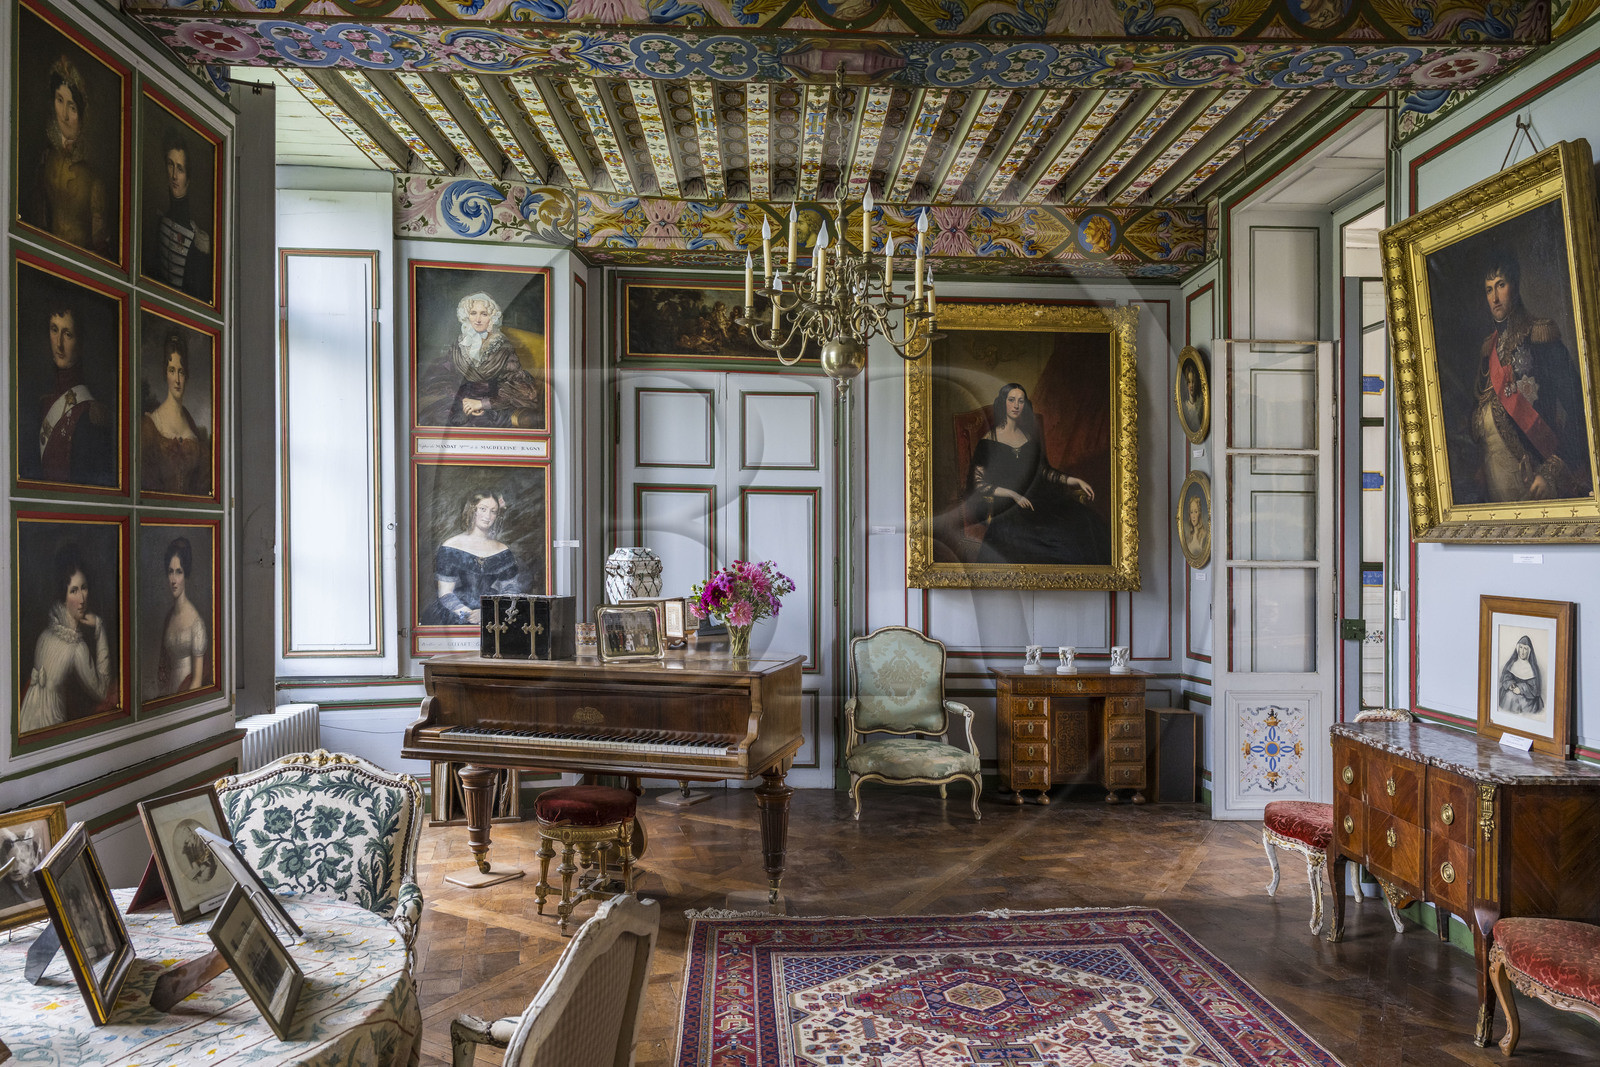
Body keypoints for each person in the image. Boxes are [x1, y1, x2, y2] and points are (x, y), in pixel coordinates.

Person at [1468, 253, 1592, 503]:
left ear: (1515, 285)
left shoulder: (1540, 335)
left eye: (1501, 285)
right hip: (1495, 488)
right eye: (1489, 290)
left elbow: (1581, 407)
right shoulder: (1486, 351)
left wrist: (1551, 472)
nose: (1494, 298)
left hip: (1536, 483)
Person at [966, 383, 1111, 566]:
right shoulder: (988, 442)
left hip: (1038, 500)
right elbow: (979, 484)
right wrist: (1012, 494)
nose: (1016, 405)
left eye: (1020, 401)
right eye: (1011, 400)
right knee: (1049, 539)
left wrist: (1073, 480)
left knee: (1087, 521)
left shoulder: (1029, 437)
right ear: (1003, 403)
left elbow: (1043, 471)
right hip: (1009, 508)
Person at [19, 543, 113, 735]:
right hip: (47, 726)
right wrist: (100, 629)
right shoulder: (75, 647)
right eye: (74, 591)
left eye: (84, 588)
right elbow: (102, 692)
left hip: (27, 720)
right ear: (64, 596)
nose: (82, 599)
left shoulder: (46, 633)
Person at [418, 292, 542, 429]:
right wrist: (462, 401)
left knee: (482, 424)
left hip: (493, 405)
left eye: (484, 314)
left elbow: (518, 386)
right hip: (461, 402)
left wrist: (482, 403)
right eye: (473, 313)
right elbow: (446, 374)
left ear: (492, 317)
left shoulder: (503, 347)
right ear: (466, 316)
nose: (478, 319)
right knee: (431, 418)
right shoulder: (459, 344)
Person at [27, 55, 109, 256]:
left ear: (81, 114)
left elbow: (100, 242)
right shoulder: (45, 158)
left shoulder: (92, 173)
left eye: (72, 107)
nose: (64, 115)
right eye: (59, 100)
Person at [25, 303, 115, 487]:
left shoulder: (92, 415)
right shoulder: (40, 405)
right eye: (54, 330)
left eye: (67, 334)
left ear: (80, 344)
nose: (59, 344)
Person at [422, 490, 523, 626]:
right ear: (472, 510)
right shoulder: (451, 546)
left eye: (493, 511)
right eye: (483, 509)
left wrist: (487, 612)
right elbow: (445, 593)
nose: (488, 516)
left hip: (493, 611)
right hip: (456, 611)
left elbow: (511, 591)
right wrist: (467, 614)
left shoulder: (503, 551)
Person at [145, 128, 212, 301]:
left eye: (180, 169)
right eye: (170, 165)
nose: (174, 175)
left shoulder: (199, 241)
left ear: (188, 179)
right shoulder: (158, 220)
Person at [140, 330, 210, 495]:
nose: (177, 380)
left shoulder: (194, 429)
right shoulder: (151, 424)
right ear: (165, 373)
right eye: (172, 370)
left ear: (187, 376)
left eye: (181, 372)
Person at [157, 537, 208, 694]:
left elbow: (197, 682)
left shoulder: (196, 623)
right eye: (170, 572)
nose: (173, 579)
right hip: (167, 694)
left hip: (186, 695)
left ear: (186, 575)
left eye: (179, 572)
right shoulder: (169, 617)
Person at [0, 828, 45, 914]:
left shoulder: (40, 885)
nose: (16, 868)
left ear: (33, 861)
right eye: (11, 862)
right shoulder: (2, 892)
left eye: (23, 860)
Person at [1497, 635, 1543, 717]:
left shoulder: (1533, 669)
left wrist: (1521, 689)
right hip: (1511, 695)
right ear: (1517, 648)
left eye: (1525, 649)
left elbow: (1535, 689)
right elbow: (1506, 676)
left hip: (1528, 700)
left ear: (1529, 651)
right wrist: (1510, 684)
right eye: (1521, 647)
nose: (1522, 651)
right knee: (1508, 696)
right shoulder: (1512, 663)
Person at [1181, 489, 1210, 564]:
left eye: (1196, 512)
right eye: (1191, 512)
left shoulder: (1204, 534)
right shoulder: (1189, 536)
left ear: (1199, 513)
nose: (1193, 516)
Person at [1180, 361, 1204, 435]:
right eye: (1189, 382)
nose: (1191, 386)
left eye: (1193, 382)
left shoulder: (1201, 404)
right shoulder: (1184, 406)